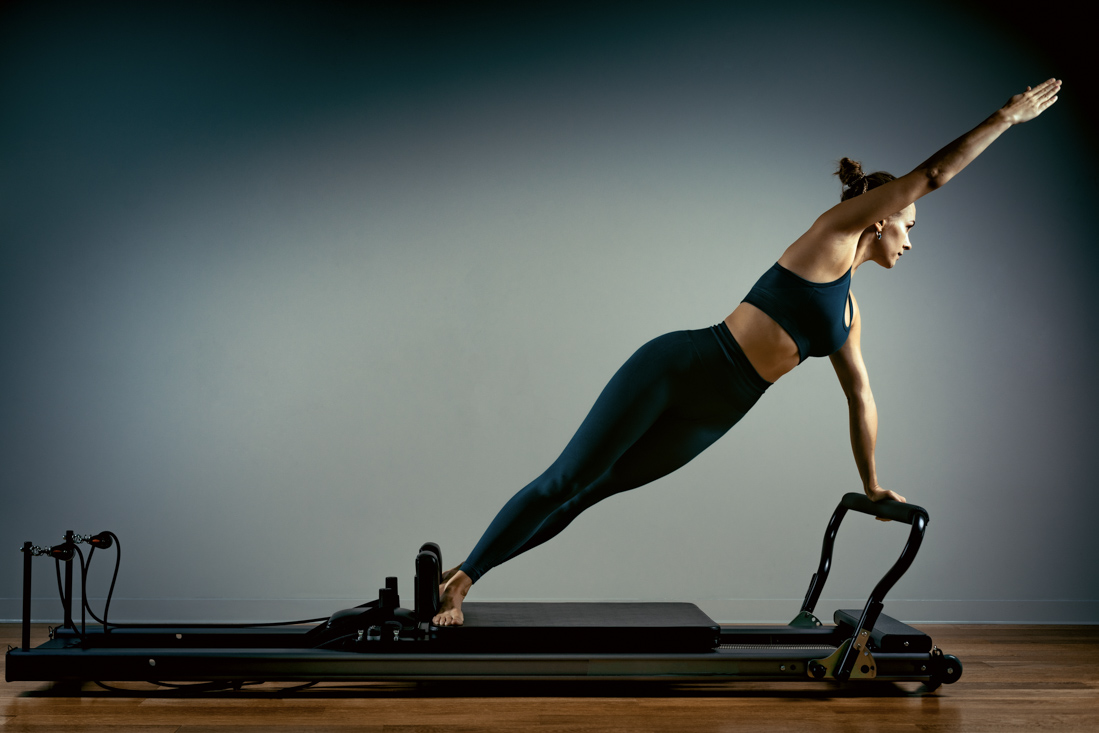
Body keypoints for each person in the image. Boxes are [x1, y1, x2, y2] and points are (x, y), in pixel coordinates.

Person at [433, 79, 1062, 626]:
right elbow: (932, 175)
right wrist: (1004, 119)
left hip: (715, 415)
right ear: (881, 216)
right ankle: (461, 584)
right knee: (566, 478)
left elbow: (862, 397)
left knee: (588, 493)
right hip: (679, 370)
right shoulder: (830, 235)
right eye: (910, 224)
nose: (912, 240)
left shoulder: (848, 313)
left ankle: (461, 573)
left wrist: (872, 485)